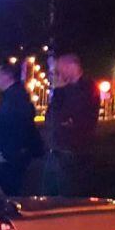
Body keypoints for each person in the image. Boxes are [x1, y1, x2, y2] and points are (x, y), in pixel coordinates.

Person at [43, 53, 100, 196]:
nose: (58, 73)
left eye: (60, 69)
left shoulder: (87, 88)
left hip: (73, 154)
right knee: (49, 195)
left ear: (72, 67)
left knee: (67, 196)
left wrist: (60, 90)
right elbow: (52, 118)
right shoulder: (66, 90)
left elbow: (71, 115)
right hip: (57, 151)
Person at [0, 62, 42, 195]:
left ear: (7, 77)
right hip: (13, 155)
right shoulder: (15, 95)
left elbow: (18, 128)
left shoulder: (14, 99)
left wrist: (5, 154)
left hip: (10, 159)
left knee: (7, 193)